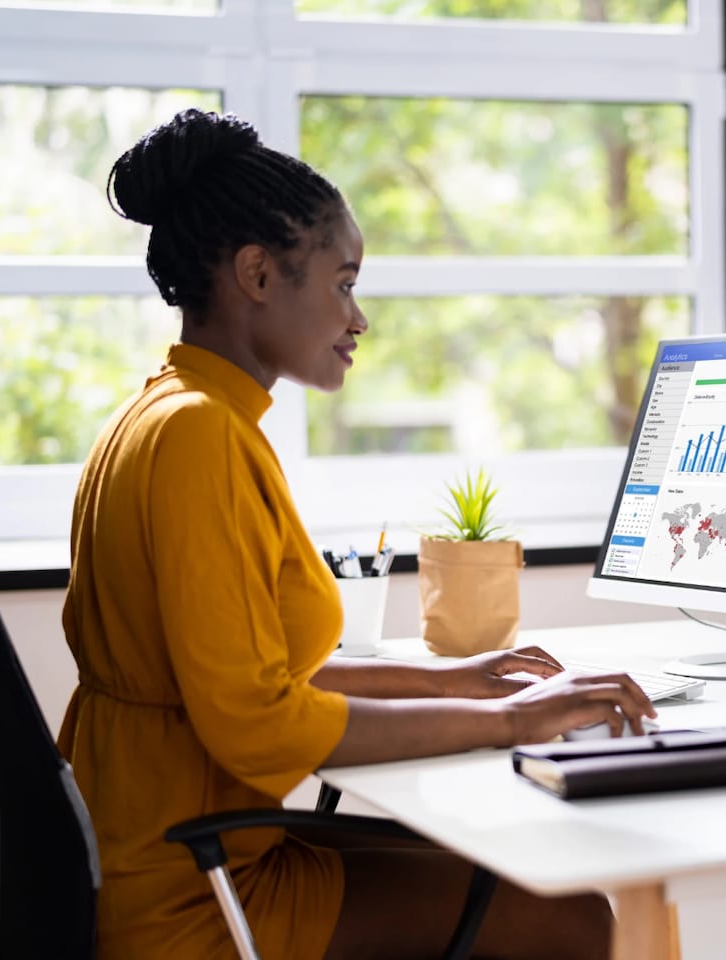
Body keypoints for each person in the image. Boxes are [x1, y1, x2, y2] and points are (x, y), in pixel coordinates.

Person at [58, 107, 656, 960]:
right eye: (343, 284)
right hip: (190, 890)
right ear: (258, 274)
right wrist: (513, 722)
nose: (358, 317)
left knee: (513, 867)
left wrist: (458, 685)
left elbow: (233, 671)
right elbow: (257, 721)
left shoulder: (166, 411)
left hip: (172, 844)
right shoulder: (199, 437)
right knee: (568, 918)